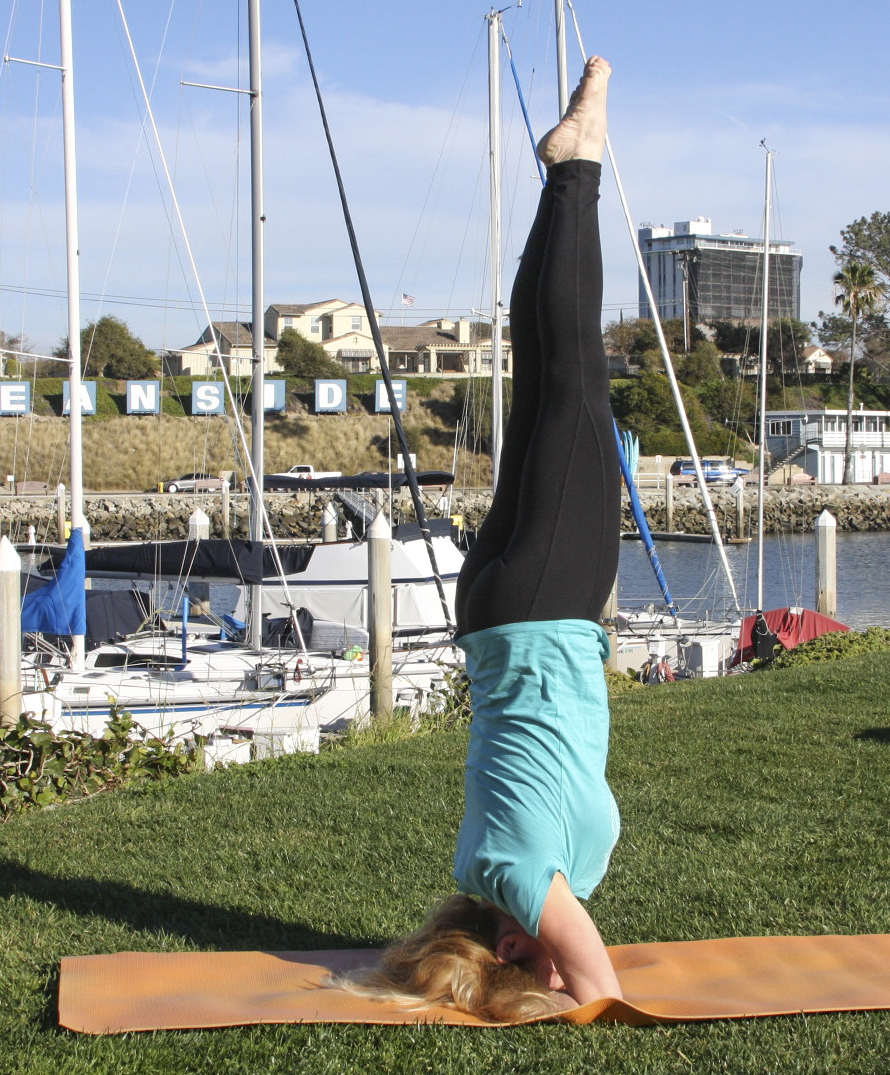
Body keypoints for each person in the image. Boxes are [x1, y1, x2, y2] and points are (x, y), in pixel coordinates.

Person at [337, 56, 622, 1021]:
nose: (558, 963)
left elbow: (598, 991)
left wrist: (550, 985)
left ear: (506, 941)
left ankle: (577, 167)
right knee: (546, 379)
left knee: (577, 380)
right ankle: (563, 174)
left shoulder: (518, 880)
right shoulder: (485, 865)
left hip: (542, 614)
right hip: (496, 620)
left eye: (531, 965)